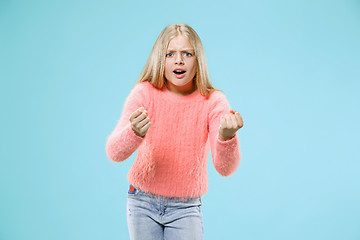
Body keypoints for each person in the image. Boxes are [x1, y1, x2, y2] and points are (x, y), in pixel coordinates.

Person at [105, 23, 244, 240]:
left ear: (198, 60)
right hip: (142, 202)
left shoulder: (214, 101)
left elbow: (225, 169)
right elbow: (114, 152)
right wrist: (134, 132)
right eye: (170, 54)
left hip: (186, 207)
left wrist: (226, 138)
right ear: (161, 59)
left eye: (186, 54)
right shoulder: (144, 93)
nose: (178, 60)